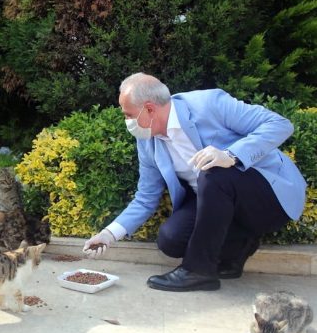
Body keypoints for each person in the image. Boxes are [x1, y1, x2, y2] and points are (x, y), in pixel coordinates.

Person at [82, 73, 306, 292]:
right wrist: (109, 235)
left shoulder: (208, 103)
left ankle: (198, 271)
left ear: (149, 108)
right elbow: (145, 198)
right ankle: (236, 251)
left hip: (269, 199)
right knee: (171, 239)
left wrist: (231, 155)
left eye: (128, 115)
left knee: (212, 172)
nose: (127, 122)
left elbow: (279, 124)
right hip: (220, 205)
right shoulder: (147, 142)